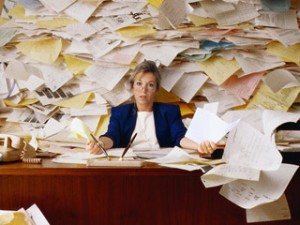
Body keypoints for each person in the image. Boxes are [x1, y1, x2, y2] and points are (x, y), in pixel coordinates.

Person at [86, 60, 218, 156]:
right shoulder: (120, 113)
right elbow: (112, 136)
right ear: (132, 87)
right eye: (139, 83)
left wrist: (199, 146)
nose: (143, 90)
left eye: (150, 85)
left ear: (156, 89)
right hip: (130, 164)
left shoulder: (169, 112)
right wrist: (100, 144)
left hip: (160, 164)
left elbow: (180, 136)